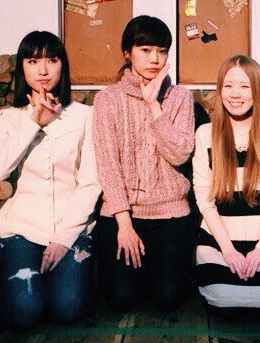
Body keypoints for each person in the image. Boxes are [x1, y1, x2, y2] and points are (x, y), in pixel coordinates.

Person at [0, 31, 100, 330]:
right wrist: (33, 123)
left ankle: (58, 281)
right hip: (22, 230)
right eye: (33, 61)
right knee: (25, 313)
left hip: (71, 229)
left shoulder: (85, 115)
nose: (43, 70)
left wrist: (63, 238)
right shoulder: (5, 117)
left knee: (68, 307)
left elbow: (90, 183)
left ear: (63, 65)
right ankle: (17, 278)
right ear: (21, 67)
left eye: (52, 60)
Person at [93, 15, 195, 311]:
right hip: (122, 215)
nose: (155, 59)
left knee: (168, 297)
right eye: (146, 50)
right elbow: (108, 165)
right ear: (128, 52)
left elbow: (179, 154)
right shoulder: (108, 99)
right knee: (121, 298)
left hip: (170, 214)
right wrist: (124, 223)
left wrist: (154, 105)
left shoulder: (180, 97)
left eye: (162, 51)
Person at [192, 55, 260, 319]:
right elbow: (204, 198)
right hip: (219, 238)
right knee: (222, 299)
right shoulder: (205, 134)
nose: (235, 94)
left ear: (258, 90)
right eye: (228, 86)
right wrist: (228, 251)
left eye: (244, 86)